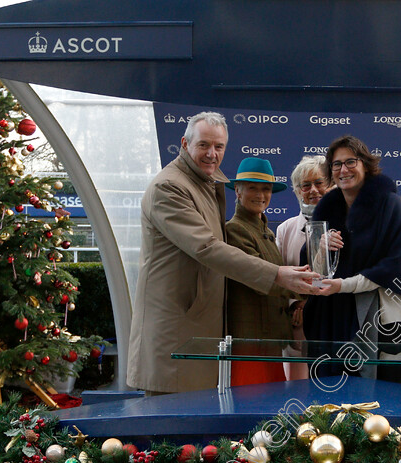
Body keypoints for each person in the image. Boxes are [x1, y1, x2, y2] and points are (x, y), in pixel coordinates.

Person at [127, 112, 316, 395]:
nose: (212, 154)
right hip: (177, 327)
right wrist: (278, 275)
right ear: (184, 143)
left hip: (198, 326)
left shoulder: (202, 182)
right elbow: (206, 247)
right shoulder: (169, 186)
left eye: (219, 147)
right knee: (171, 423)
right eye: (204, 145)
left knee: (192, 425)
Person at [303, 135, 401, 381]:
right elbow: (314, 273)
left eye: (351, 162)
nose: (343, 170)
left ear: (365, 164)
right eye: (336, 164)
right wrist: (321, 248)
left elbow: (393, 266)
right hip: (332, 318)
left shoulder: (390, 206)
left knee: (378, 398)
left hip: (378, 319)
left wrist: (343, 285)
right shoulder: (325, 210)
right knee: (332, 396)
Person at [225, 157, 295, 386]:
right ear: (237, 190)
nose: (260, 195)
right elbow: (264, 280)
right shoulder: (235, 229)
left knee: (272, 413)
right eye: (252, 188)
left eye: (266, 189)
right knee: (253, 413)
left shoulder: (265, 230)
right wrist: (306, 289)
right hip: (250, 343)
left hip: (270, 342)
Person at [276, 155, 333, 380]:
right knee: (298, 394)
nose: (313, 190)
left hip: (332, 323)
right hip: (297, 323)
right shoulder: (285, 229)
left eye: (319, 183)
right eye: (305, 185)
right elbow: (277, 275)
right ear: (297, 191)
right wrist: (294, 304)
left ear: (331, 185)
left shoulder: (345, 225)